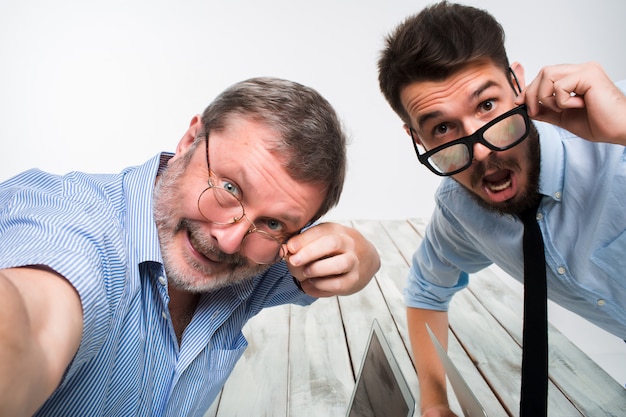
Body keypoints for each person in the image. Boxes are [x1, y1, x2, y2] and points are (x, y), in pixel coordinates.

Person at [0, 76, 381, 417]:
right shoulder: (74, 225)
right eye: (230, 188)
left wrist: (361, 253)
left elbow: (358, 259)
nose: (228, 240)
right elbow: (33, 323)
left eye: (273, 222)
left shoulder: (259, 261)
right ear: (189, 141)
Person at [377, 1, 626, 416]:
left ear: (517, 85)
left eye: (487, 105)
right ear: (418, 139)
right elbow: (426, 290)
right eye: (442, 128)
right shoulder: (461, 209)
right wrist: (434, 400)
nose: (478, 150)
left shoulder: (614, 128)